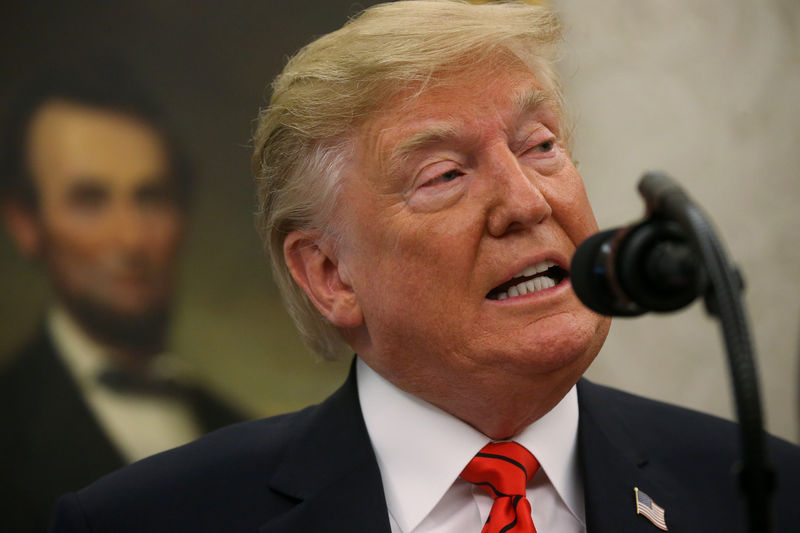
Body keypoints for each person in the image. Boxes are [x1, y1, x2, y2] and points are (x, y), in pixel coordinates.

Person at [47, 2, 800, 532]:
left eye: (540, 145)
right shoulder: (146, 519)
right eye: (445, 174)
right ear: (330, 274)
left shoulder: (765, 492)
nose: (526, 201)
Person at [0, 59, 244, 533]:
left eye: (151, 197)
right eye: (89, 200)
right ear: (26, 224)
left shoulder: (238, 429)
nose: (131, 240)